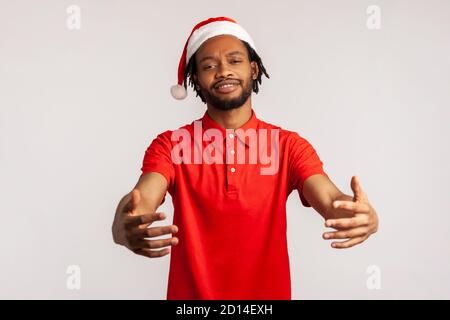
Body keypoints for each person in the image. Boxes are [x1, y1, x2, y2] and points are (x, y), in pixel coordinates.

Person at [111, 16, 379, 300]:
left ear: (253, 69)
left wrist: (362, 216)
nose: (223, 71)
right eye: (209, 66)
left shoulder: (288, 146)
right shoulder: (171, 145)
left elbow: (330, 201)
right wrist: (121, 225)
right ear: (196, 81)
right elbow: (141, 200)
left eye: (234, 60)